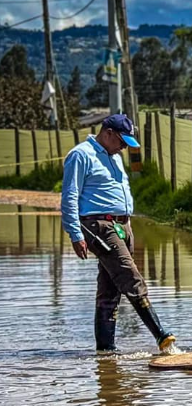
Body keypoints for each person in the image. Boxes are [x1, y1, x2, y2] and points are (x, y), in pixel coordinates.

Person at [61, 114, 176, 353]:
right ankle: (162, 337)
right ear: (108, 133)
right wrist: (76, 234)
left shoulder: (115, 157)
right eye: (122, 141)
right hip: (100, 227)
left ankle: (106, 352)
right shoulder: (81, 155)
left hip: (123, 226)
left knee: (109, 290)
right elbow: (69, 197)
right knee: (130, 277)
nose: (124, 146)